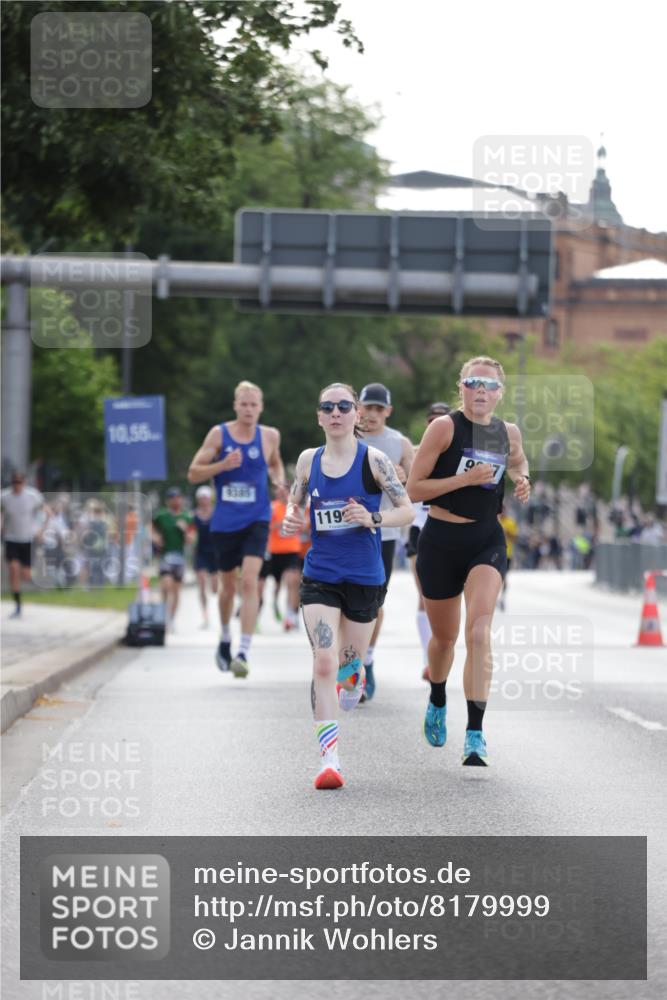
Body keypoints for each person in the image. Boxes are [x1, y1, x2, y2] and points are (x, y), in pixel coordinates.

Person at [282, 382, 414, 790]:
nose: (336, 412)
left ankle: (353, 675)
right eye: (328, 407)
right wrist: (291, 518)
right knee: (324, 661)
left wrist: (373, 519)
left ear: (356, 415)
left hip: (364, 578)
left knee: (347, 665)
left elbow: (406, 510)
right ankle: (330, 762)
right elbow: (295, 502)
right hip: (320, 574)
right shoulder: (308, 461)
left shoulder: (374, 461)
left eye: (344, 406)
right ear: (319, 416)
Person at [407, 357, 531, 767]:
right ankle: (438, 696)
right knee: (444, 639)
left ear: (500, 392)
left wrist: (522, 478)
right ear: (460, 387)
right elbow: (413, 489)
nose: (482, 390)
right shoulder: (444, 428)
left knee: (479, 633)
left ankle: (475, 733)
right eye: (474, 382)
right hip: (441, 540)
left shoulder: (507, 432)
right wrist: (465, 479)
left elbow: (517, 460)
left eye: (490, 385)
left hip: (485, 539)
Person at [187, 380, 286, 678]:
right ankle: (226, 636)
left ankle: (243, 650)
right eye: (243, 403)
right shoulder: (219, 434)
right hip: (225, 523)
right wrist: (222, 466)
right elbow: (193, 473)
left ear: (261, 407)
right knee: (227, 588)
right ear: (235, 406)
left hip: (257, 518)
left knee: (251, 582)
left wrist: (278, 481)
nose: (248, 409)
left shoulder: (269, 436)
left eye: (254, 404)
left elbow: (276, 464)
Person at [357, 382, 415, 700]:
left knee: (375, 601)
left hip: (386, 531)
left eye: (380, 409)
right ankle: (350, 662)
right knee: (348, 599)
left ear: (388, 412)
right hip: (349, 529)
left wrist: (403, 477)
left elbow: (415, 488)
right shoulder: (347, 438)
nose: (373, 414)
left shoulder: (400, 443)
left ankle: (366, 661)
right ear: (360, 408)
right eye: (369, 407)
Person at [405, 402, 451, 681]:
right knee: (425, 596)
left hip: (448, 530)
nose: (437, 424)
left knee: (446, 600)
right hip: (420, 531)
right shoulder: (412, 452)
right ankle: (427, 658)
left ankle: (439, 650)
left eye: (442, 419)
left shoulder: (459, 452)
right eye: (432, 420)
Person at [1, 471, 44, 618]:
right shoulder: (5, 497)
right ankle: (18, 606)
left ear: (24, 483)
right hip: (11, 537)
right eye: (14, 482)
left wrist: (40, 529)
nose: (16, 485)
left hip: (27, 539)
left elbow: (43, 511)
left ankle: (26, 572)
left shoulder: (32, 496)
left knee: (25, 575)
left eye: (19, 482)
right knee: (13, 569)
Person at [151, 486, 194, 631]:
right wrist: (156, 537)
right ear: (168, 501)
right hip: (165, 556)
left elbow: (190, 539)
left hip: (179, 558)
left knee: (176, 591)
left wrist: (185, 530)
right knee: (166, 585)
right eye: (172, 498)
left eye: (177, 497)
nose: (175, 500)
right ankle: (164, 613)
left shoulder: (187, 517)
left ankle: (171, 618)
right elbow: (150, 527)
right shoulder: (162, 516)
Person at [258, 494, 302, 630]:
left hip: (292, 550)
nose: (284, 493)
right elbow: (265, 526)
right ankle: (275, 601)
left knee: (291, 582)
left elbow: (305, 525)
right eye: (281, 490)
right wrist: (279, 524)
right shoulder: (272, 507)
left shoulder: (297, 508)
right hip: (275, 552)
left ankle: (289, 616)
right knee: (277, 585)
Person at [193, 485, 218, 629]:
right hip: (200, 553)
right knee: (202, 584)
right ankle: (205, 614)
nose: (204, 501)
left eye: (206, 498)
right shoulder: (194, 515)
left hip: (215, 553)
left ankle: (217, 610)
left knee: (214, 588)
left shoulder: (216, 513)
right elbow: (191, 533)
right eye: (201, 498)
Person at [497, 504, 519, 611]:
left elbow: (515, 539)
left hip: (507, 554)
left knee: (504, 577)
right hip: (495, 554)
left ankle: (502, 598)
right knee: (495, 577)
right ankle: (494, 597)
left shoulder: (510, 523)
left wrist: (507, 532)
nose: (502, 513)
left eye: (503, 511)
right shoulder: (494, 521)